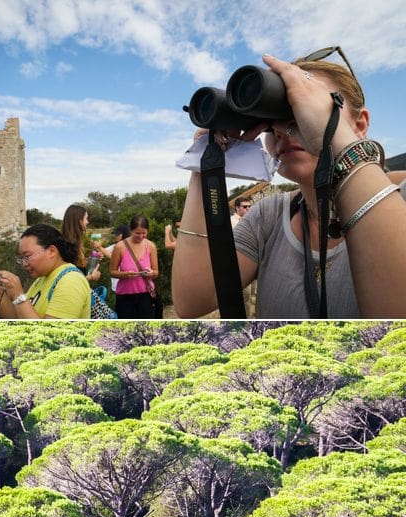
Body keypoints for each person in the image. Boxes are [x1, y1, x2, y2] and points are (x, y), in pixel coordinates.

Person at [173, 50, 406, 319]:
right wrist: (205, 160)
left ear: (360, 124)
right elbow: (193, 301)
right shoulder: (269, 216)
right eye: (273, 123)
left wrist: (340, 143)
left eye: (305, 108)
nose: (284, 129)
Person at [0, 223, 91, 318]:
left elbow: (50, 334)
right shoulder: (42, 278)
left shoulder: (70, 281)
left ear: (51, 251)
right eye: (22, 258)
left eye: (27, 256)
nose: (24, 263)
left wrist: (19, 296)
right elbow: (18, 317)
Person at [110, 215, 159, 318]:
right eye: (137, 233)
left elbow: (156, 272)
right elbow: (112, 272)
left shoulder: (151, 246)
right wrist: (125, 275)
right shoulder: (120, 247)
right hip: (125, 297)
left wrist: (151, 274)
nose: (141, 236)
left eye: (144, 233)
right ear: (131, 230)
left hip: (146, 295)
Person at [60, 204, 101, 282]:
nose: (88, 222)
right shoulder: (69, 246)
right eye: (86, 218)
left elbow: (76, 268)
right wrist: (92, 277)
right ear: (79, 220)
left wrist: (91, 259)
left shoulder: (69, 242)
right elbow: (68, 278)